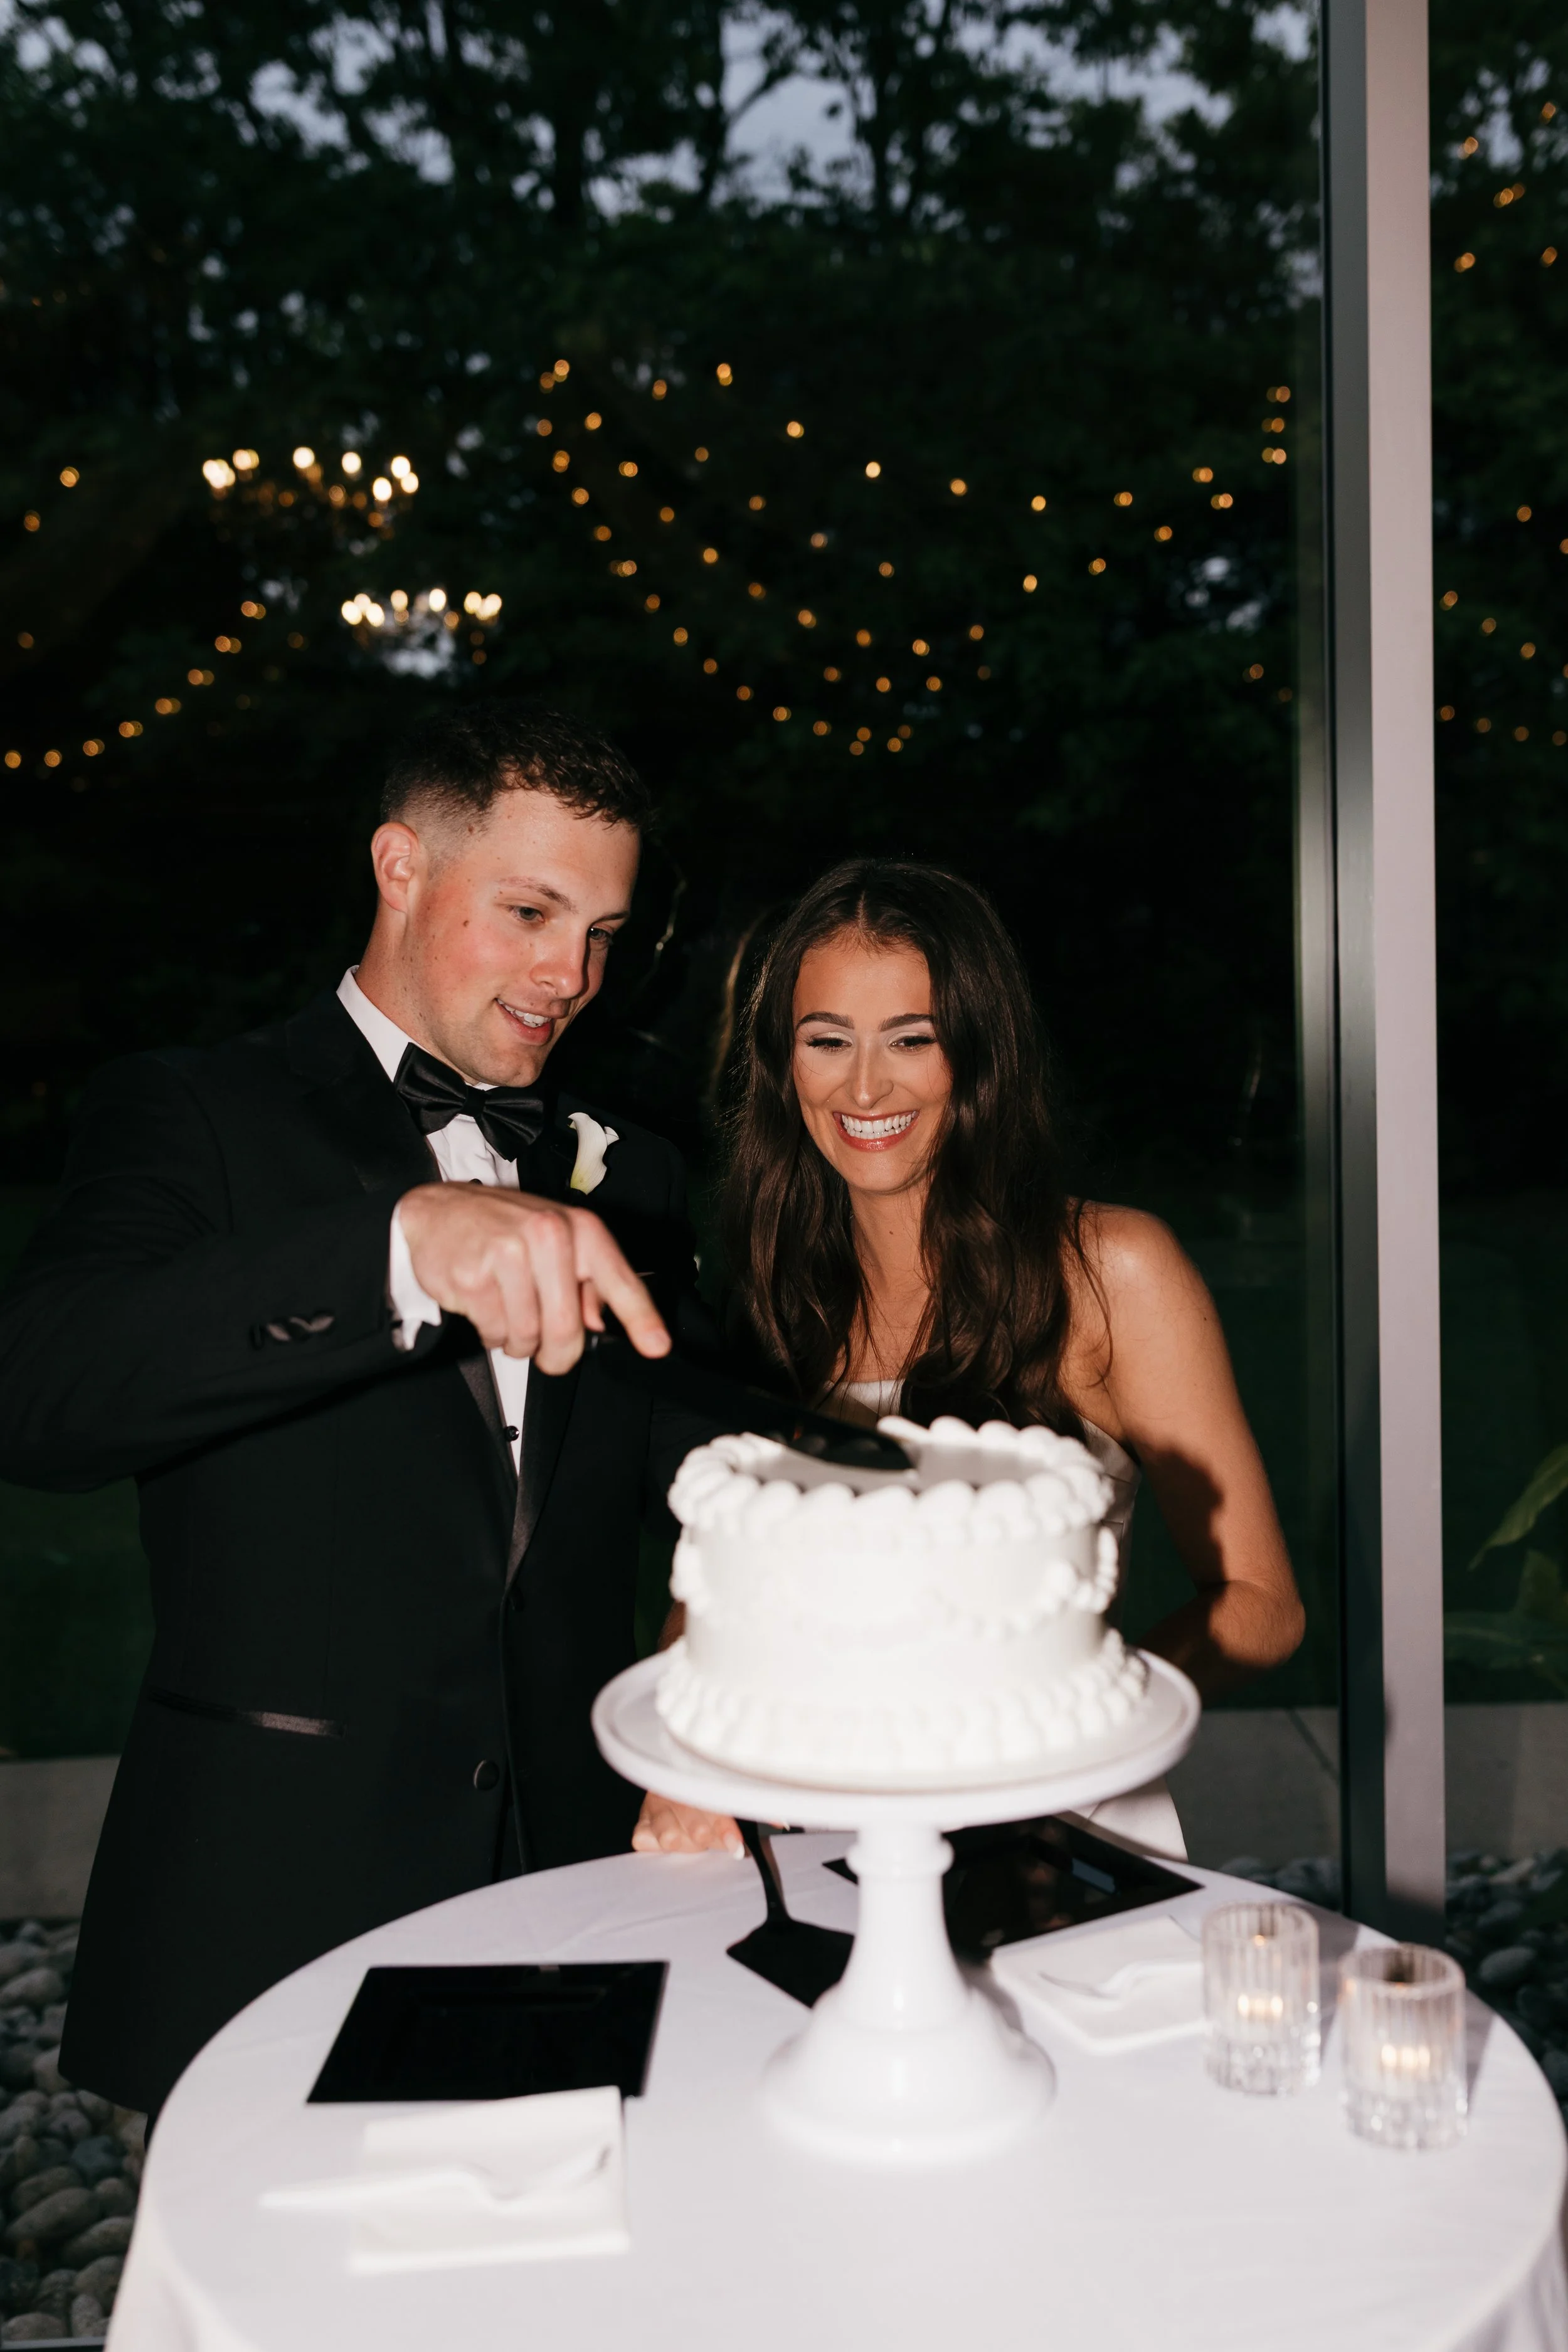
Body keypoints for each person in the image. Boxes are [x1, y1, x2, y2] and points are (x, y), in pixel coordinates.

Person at [0, 701, 718, 2119]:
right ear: (399, 866)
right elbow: (42, 1394)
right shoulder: (191, 1111)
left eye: (603, 933)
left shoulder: (631, 1172)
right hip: (275, 1893)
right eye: (528, 910)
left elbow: (694, 1482)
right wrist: (394, 1246)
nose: (569, 973)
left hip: (577, 1888)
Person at [633, 857, 1305, 1861]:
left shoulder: (1112, 1272)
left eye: (914, 1038)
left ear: (979, 1053)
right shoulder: (770, 1293)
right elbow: (720, 1582)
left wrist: (1053, 1714)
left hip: (1047, 1831)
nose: (866, 1084)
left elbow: (1262, 1606)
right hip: (804, 1834)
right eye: (828, 1041)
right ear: (784, 1064)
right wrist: (681, 1765)